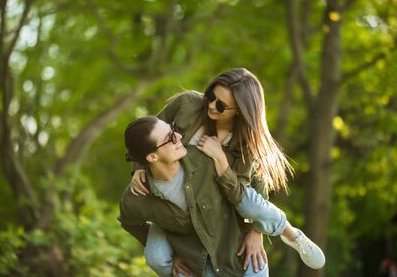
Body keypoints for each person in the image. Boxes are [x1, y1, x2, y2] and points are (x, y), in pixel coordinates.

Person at [129, 68, 325, 275]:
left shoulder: (245, 143)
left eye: (221, 105)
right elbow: (145, 135)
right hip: (174, 204)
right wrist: (139, 169)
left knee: (249, 205)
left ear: (239, 110)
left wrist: (257, 231)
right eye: (211, 96)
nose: (212, 106)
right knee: (156, 257)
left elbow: (255, 188)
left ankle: (292, 235)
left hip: (217, 207)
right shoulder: (186, 105)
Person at [120, 116, 269, 276]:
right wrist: (172, 254)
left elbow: (254, 171)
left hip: (247, 259)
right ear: (152, 157)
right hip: (199, 268)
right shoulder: (136, 198)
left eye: (173, 130)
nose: (179, 137)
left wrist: (256, 231)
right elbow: (129, 222)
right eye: (169, 138)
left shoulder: (206, 155)